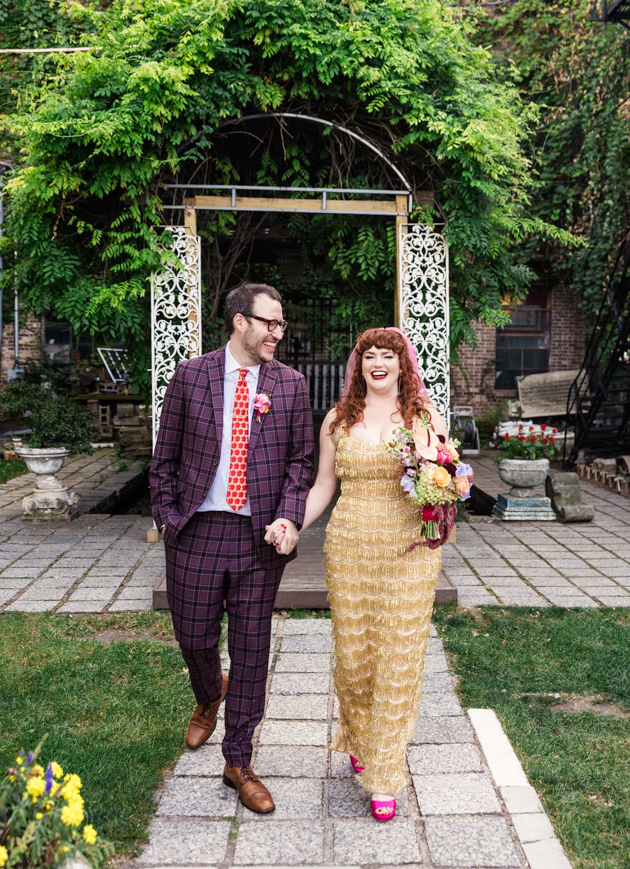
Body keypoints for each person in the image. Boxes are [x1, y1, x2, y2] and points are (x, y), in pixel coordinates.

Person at [149, 282, 314, 815]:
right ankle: (207, 693)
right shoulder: (192, 376)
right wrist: (171, 520)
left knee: (250, 650)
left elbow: (300, 464)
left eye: (281, 324)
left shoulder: (290, 385)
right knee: (193, 637)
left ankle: (238, 760)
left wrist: (289, 516)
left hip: (257, 538)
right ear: (239, 322)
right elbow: (164, 459)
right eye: (269, 322)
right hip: (197, 530)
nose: (277, 333)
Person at [283, 326, 447, 821]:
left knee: (398, 660)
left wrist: (441, 485)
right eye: (369, 356)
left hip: (409, 552)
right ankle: (356, 734)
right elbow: (322, 487)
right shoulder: (337, 419)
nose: (378, 363)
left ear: (403, 364)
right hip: (350, 548)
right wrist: (292, 523)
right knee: (355, 661)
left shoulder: (423, 415)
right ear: (359, 364)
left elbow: (442, 477)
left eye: (387, 356)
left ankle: (383, 775)